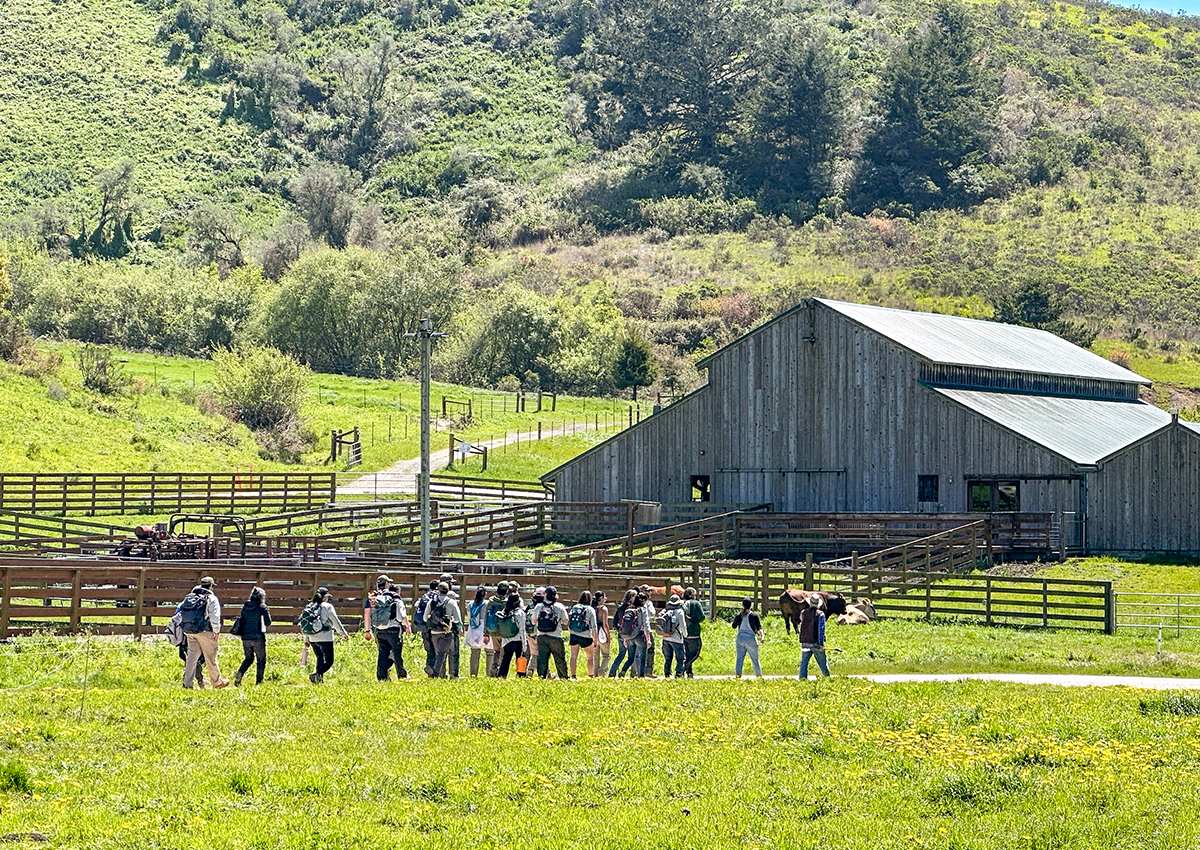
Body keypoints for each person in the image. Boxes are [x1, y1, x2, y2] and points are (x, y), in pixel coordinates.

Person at [179, 576, 229, 690]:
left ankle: (187, 683)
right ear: (211, 586)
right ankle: (216, 682)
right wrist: (216, 631)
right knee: (210, 656)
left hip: (189, 630)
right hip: (204, 630)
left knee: (191, 657)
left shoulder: (191, 596)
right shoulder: (211, 598)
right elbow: (214, 617)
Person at [367, 575, 410, 681]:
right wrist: (407, 626)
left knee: (382, 654)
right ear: (387, 584)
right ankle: (402, 675)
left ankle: (381, 677)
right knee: (396, 654)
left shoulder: (376, 598)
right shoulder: (395, 598)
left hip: (379, 629)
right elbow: (401, 616)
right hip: (393, 629)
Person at [306, 587, 350, 683]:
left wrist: (307, 638)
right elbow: (335, 621)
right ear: (325, 597)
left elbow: (306, 623)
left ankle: (319, 679)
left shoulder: (310, 606)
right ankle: (317, 675)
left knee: (320, 658)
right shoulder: (327, 606)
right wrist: (343, 633)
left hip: (312, 637)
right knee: (329, 661)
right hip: (325, 637)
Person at [234, 586, 272, 687]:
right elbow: (268, 622)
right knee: (261, 659)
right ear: (261, 597)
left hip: (245, 637)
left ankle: (240, 673)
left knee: (248, 658)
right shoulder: (262, 607)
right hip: (258, 637)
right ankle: (259, 682)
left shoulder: (245, 607)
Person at [531, 585, 569, 679]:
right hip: (556, 636)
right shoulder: (559, 606)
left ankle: (541, 676)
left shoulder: (539, 606)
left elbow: (533, 621)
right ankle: (563, 677)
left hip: (541, 636)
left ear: (545, 595)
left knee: (542, 658)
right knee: (559, 658)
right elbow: (565, 621)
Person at [426, 581, 462, 678]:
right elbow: (457, 619)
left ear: (438, 590)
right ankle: (435, 673)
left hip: (434, 631)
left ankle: (438, 673)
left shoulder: (431, 602)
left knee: (438, 652)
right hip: (446, 631)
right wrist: (456, 625)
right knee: (442, 654)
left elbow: (425, 618)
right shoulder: (451, 602)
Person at [798, 594, 831, 679]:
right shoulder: (820, 614)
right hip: (815, 642)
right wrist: (821, 644)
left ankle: (802, 679)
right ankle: (827, 679)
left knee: (804, 663)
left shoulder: (803, 613)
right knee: (822, 663)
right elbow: (821, 630)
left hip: (805, 641)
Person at [567, 590, 598, 679]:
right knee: (590, 657)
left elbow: (569, 621)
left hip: (574, 635)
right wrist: (595, 640)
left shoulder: (574, 607)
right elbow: (594, 626)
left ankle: (573, 676)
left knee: (573, 656)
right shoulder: (590, 609)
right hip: (586, 635)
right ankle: (590, 675)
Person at [496, 591, 527, 678]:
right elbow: (522, 629)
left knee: (506, 659)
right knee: (519, 658)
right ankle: (521, 675)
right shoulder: (519, 613)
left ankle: (502, 675)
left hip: (507, 640)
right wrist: (524, 644)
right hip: (518, 640)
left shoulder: (504, 612)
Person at [732, 597, 764, 679]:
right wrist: (762, 636)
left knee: (739, 659)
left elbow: (734, 626)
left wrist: (738, 619)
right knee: (755, 659)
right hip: (750, 638)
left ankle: (738, 675)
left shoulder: (739, 615)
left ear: (743, 605)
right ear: (751, 605)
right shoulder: (754, 615)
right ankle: (758, 676)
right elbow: (759, 628)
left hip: (740, 638)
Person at [483, 581, 510, 676]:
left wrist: (485, 633)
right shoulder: (507, 602)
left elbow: (486, 617)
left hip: (493, 630)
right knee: (503, 651)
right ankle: (501, 671)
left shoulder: (491, 601)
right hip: (504, 631)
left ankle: (494, 670)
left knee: (496, 651)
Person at [414, 580, 440, 677]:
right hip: (433, 626)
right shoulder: (436, 597)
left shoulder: (424, 596)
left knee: (429, 650)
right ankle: (435, 671)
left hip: (423, 627)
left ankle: (429, 667)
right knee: (437, 650)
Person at [608, 589, 636, 677]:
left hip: (621, 634)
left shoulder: (620, 608)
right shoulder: (632, 608)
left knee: (621, 654)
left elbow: (614, 622)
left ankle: (612, 672)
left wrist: (620, 631)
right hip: (630, 635)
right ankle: (624, 671)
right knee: (632, 656)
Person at [658, 594, 687, 678]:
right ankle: (678, 673)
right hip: (677, 638)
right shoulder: (679, 612)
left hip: (666, 638)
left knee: (668, 657)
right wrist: (685, 635)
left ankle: (667, 673)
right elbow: (683, 625)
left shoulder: (665, 611)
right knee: (680, 658)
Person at [440, 573, 463, 678]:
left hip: (438, 628)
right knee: (453, 653)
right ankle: (453, 674)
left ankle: (441, 673)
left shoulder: (436, 596)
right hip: (451, 627)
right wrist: (460, 628)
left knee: (441, 652)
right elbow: (457, 617)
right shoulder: (451, 596)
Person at [466, 585, 492, 677]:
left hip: (473, 628)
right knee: (489, 652)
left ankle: (473, 674)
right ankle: (489, 673)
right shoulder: (487, 604)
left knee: (475, 652)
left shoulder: (470, 604)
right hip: (484, 627)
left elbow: (469, 618)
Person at [681, 586, 706, 678]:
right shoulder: (695, 604)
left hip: (683, 633)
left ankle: (689, 672)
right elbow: (702, 617)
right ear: (691, 595)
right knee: (696, 652)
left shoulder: (681, 604)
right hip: (694, 632)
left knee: (687, 653)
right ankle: (683, 668)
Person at [526, 587, 545, 675]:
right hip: (539, 632)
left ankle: (531, 670)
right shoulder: (542, 606)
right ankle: (532, 670)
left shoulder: (530, 606)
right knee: (541, 654)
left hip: (529, 632)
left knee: (535, 654)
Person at [592, 590, 611, 678]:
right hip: (601, 633)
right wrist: (608, 636)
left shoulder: (592, 608)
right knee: (606, 655)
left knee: (595, 655)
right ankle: (602, 671)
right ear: (601, 598)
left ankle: (594, 673)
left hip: (593, 633)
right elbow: (605, 624)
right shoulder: (603, 609)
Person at [641, 586, 658, 678]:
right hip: (644, 628)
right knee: (650, 649)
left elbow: (652, 614)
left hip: (642, 628)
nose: (650, 593)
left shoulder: (648, 603)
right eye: (648, 591)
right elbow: (651, 613)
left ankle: (646, 671)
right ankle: (646, 671)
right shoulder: (647, 603)